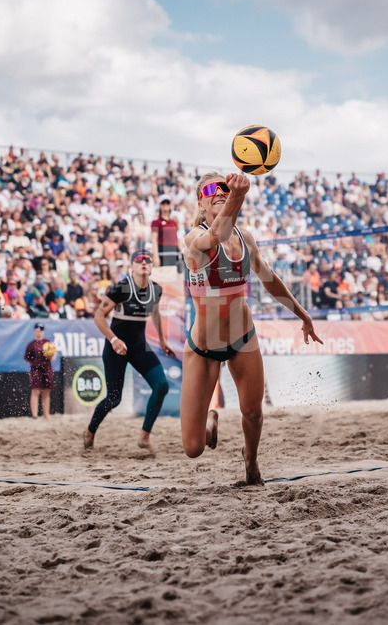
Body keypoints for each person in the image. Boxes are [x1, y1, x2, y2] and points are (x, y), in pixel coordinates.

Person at [181, 173, 322, 484]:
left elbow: (269, 279)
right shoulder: (194, 240)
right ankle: (210, 420)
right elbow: (217, 235)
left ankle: (251, 461)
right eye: (211, 189)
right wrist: (238, 195)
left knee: (254, 413)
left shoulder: (245, 237)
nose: (219, 192)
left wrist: (302, 315)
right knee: (193, 448)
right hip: (204, 348)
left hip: (242, 339)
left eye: (224, 186)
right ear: (201, 203)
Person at [84, 249, 175, 454]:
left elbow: (156, 313)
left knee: (161, 386)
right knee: (114, 399)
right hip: (116, 347)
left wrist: (162, 341)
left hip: (139, 346)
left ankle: (144, 437)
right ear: (131, 266)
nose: (143, 263)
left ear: (152, 267)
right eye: (139, 260)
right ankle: (89, 432)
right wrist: (114, 340)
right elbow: (99, 316)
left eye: (148, 261)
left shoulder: (156, 289)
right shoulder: (121, 288)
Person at [23, 322, 55, 419]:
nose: (39, 332)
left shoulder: (48, 343)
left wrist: (49, 355)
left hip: (47, 369)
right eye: (37, 330)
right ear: (34, 331)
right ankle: (35, 416)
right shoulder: (31, 344)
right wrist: (35, 362)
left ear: (43, 331)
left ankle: (46, 415)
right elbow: (26, 359)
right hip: (36, 370)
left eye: (40, 330)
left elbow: (53, 356)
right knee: (35, 391)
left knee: (46, 392)